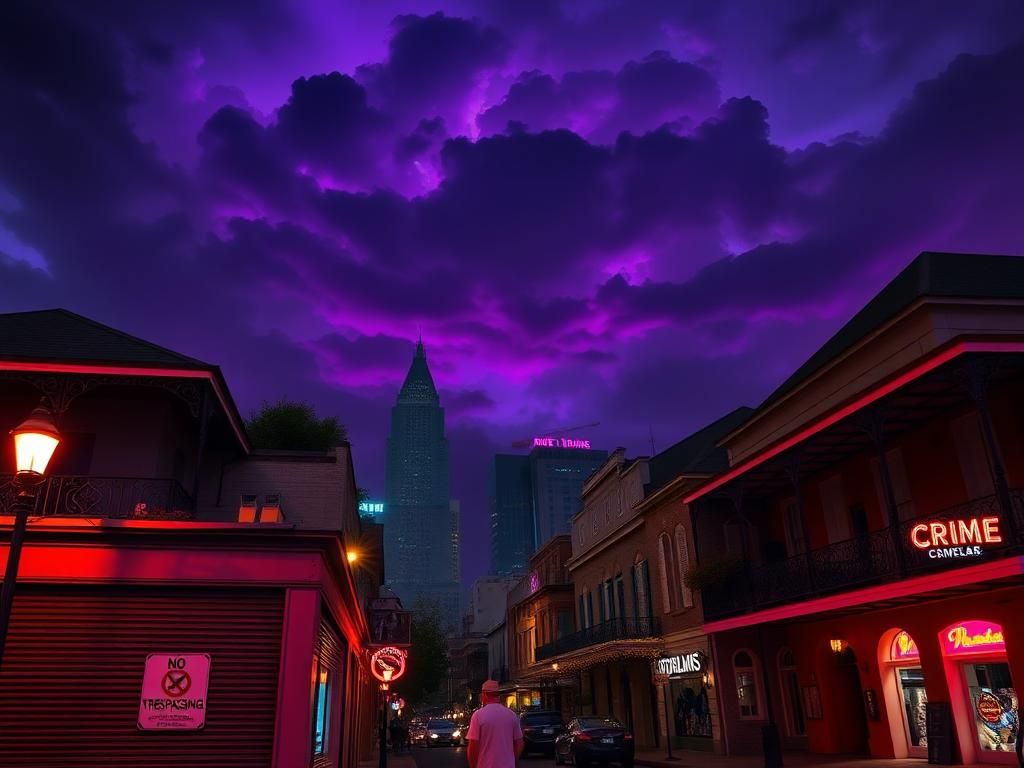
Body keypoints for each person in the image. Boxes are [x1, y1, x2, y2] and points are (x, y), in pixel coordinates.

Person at [467, 680, 523, 768]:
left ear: (484, 695)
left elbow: (473, 747)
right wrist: (512, 760)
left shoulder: (478, 715)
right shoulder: (511, 715)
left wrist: (473, 766)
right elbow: (519, 743)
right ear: (498, 695)